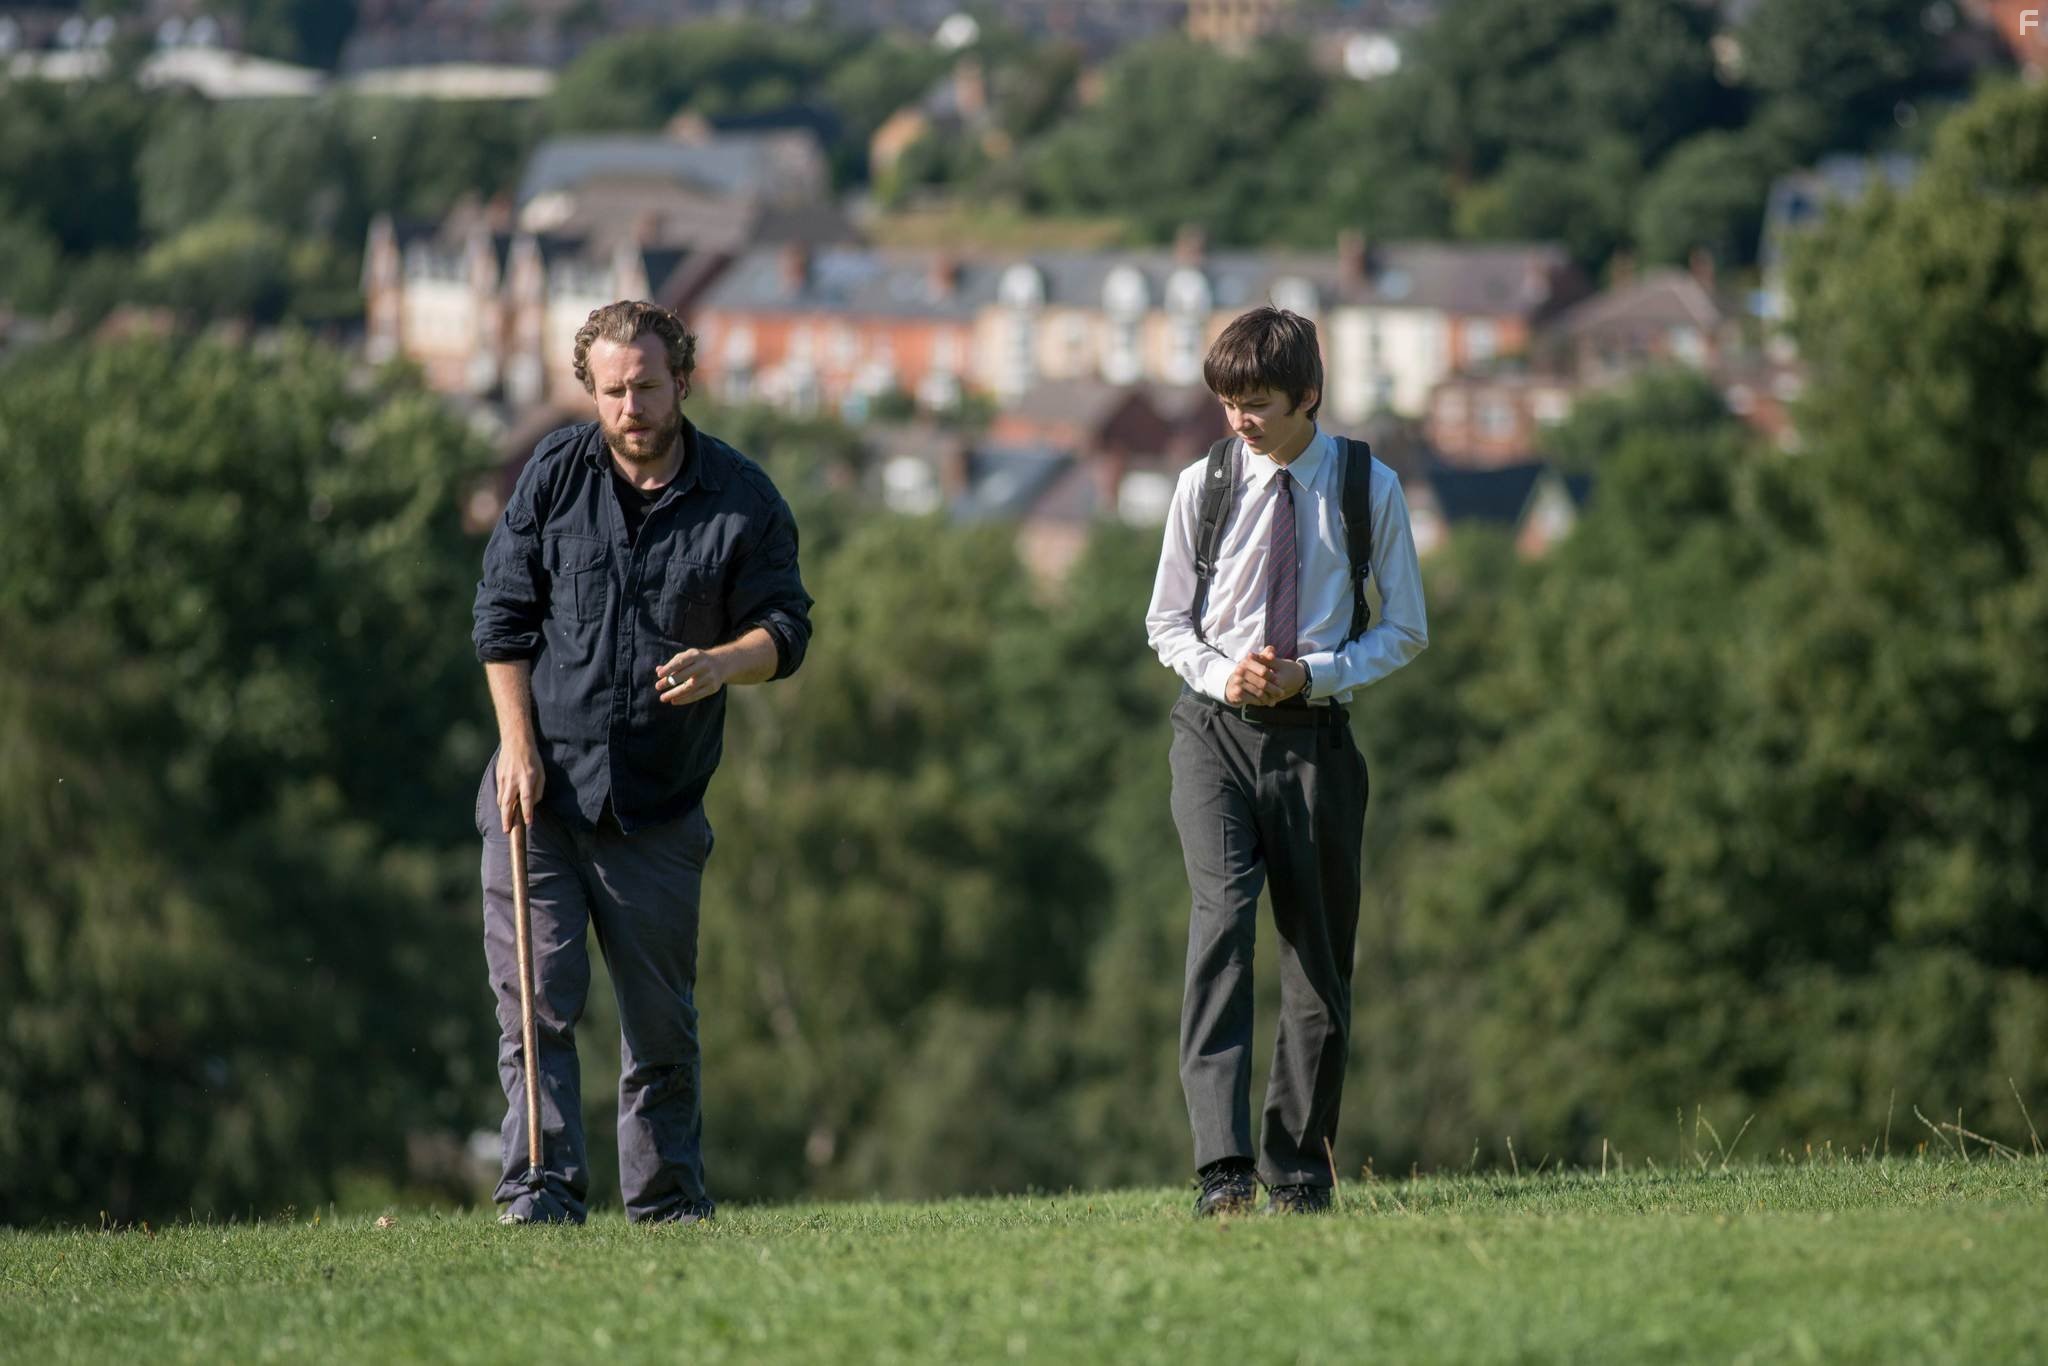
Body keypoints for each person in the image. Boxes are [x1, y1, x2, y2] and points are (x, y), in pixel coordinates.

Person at [471, 299, 813, 1224]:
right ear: (592, 391)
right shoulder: (551, 475)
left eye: (647, 387)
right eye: (613, 390)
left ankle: (666, 1204)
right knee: (537, 1003)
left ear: (684, 382)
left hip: (658, 809)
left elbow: (787, 631)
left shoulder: (741, 498)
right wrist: (514, 747)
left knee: (661, 1028)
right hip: (536, 793)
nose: (631, 406)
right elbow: (499, 619)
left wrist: (721, 664)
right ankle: (538, 1188)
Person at [1143, 306, 1428, 1216]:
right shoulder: (1204, 483)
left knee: (1317, 961)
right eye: (1227, 402)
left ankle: (1299, 1174)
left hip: (1318, 744)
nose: (1239, 419)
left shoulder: (1365, 486)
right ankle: (1222, 1172)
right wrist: (1229, 676)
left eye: (1257, 403)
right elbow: (1166, 624)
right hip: (1212, 735)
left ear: (1309, 395)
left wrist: (1315, 671)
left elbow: (1406, 629)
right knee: (1221, 923)